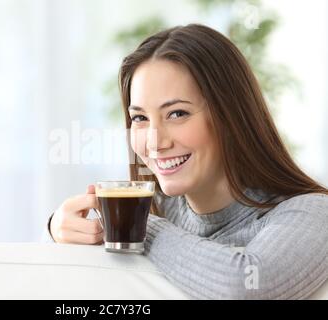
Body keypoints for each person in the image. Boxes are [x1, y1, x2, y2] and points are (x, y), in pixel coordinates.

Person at [45, 24, 328, 299]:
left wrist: (134, 225)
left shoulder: (312, 213)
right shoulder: (161, 207)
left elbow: (246, 287)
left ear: (230, 117)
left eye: (177, 114)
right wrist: (59, 226)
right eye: (140, 118)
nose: (155, 142)